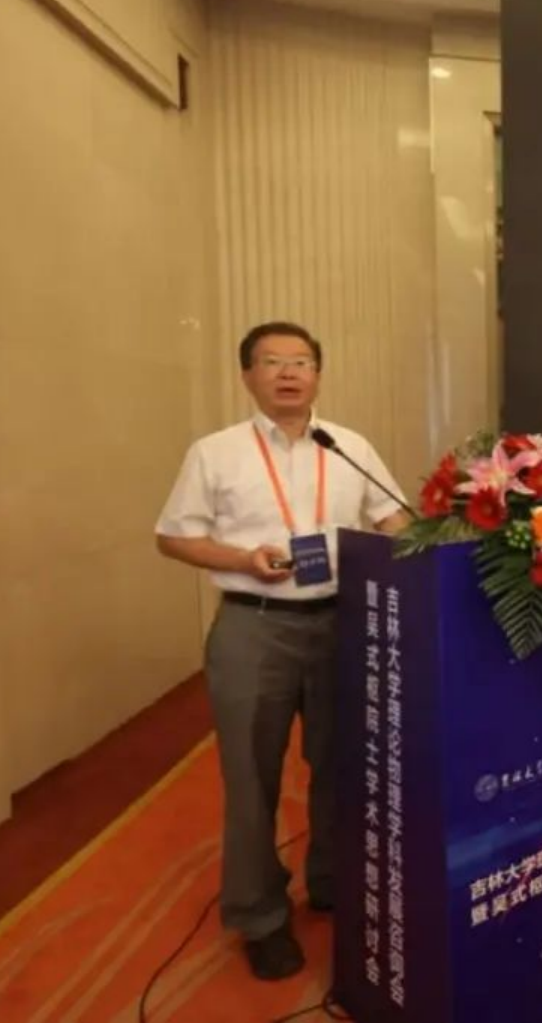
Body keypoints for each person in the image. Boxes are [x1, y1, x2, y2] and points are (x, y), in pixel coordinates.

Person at [156, 322, 413, 981]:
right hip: (254, 627)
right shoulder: (216, 453)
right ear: (248, 375)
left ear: (318, 375)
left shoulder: (348, 445)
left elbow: (394, 517)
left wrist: (420, 540)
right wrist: (242, 559)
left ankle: (332, 881)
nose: (289, 372)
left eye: (301, 361)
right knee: (251, 777)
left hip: (342, 625)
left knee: (342, 765)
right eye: (272, 362)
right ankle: (260, 915)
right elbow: (173, 537)